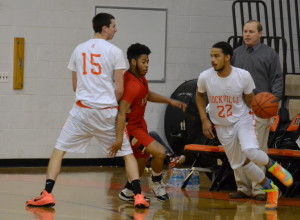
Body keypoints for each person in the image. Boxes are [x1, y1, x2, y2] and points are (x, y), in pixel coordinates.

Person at [26, 13, 149, 209]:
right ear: (104, 28)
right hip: (106, 112)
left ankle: (47, 193)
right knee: (127, 154)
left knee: (59, 151)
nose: (116, 29)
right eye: (114, 26)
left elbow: (75, 86)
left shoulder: (78, 49)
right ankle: (138, 196)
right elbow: (119, 89)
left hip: (81, 112)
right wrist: (108, 102)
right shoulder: (115, 52)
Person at [195, 41, 292, 209]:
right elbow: (199, 96)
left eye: (216, 56)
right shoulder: (205, 77)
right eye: (211, 56)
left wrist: (264, 111)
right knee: (242, 164)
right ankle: (270, 188)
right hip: (222, 126)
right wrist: (204, 119)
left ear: (227, 57)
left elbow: (250, 100)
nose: (212, 59)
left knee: (250, 151)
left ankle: (274, 167)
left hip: (243, 120)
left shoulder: (243, 75)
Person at [109, 43, 187, 203]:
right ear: (133, 62)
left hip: (140, 125)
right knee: (159, 152)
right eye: (144, 62)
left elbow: (147, 94)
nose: (146, 65)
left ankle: (128, 192)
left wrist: (169, 101)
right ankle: (157, 183)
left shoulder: (140, 79)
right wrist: (118, 138)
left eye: (148, 62)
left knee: (141, 160)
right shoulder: (130, 85)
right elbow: (122, 111)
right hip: (130, 128)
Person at [230, 20, 283, 201]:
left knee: (257, 148)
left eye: (251, 31)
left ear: (260, 34)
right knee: (238, 148)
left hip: (261, 107)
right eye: (245, 31)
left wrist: (275, 103)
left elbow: (277, 79)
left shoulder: (270, 54)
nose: (247, 34)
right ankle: (242, 187)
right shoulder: (236, 53)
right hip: (239, 108)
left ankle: (259, 189)